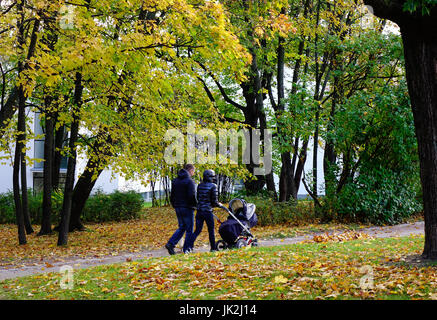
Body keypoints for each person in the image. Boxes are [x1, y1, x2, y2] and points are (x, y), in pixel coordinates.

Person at [165, 164, 197, 255]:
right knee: (189, 229)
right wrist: (195, 205)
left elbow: (172, 195)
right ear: (190, 170)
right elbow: (191, 195)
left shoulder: (175, 181)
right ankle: (186, 249)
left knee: (182, 227)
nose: (193, 173)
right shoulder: (189, 181)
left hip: (178, 207)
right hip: (187, 207)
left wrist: (174, 205)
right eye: (193, 171)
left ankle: (171, 244)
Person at [188, 169, 222, 252]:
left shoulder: (200, 185)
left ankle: (189, 246)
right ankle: (213, 248)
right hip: (207, 211)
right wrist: (219, 205)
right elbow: (214, 201)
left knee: (197, 230)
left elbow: (198, 198)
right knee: (211, 230)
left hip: (199, 211)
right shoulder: (213, 186)